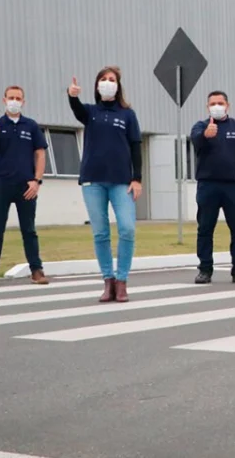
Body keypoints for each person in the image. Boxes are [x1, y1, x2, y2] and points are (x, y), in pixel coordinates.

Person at [67, 67, 143, 303]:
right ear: (97, 85)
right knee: (100, 233)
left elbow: (136, 146)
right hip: (93, 180)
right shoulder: (91, 112)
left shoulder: (127, 115)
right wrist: (72, 95)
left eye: (112, 80)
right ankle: (108, 281)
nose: (108, 83)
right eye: (103, 79)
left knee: (127, 229)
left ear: (118, 86)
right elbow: (77, 110)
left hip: (122, 182)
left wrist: (137, 178)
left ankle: (122, 281)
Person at [0, 86, 49, 286]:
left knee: (29, 230)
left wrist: (37, 180)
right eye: (11, 97)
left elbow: (40, 153)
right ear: (4, 100)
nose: (14, 101)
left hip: (26, 186)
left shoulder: (31, 125)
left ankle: (36, 270)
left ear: (23, 101)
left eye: (18, 98)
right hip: (0, 184)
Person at [190, 91, 235, 284]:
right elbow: (195, 142)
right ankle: (204, 269)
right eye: (213, 103)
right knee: (205, 228)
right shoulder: (201, 127)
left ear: (227, 105)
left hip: (234, 186)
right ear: (207, 107)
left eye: (220, 103)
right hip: (207, 185)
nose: (217, 106)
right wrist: (206, 135)